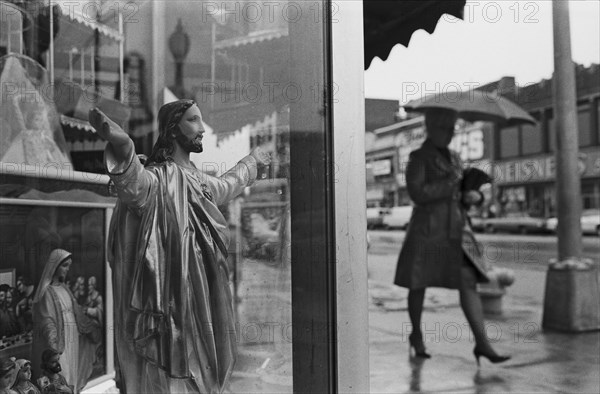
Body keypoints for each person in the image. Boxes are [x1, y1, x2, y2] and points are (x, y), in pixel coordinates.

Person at [88, 99, 270, 393]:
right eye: (194, 121)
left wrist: (251, 162)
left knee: (201, 367)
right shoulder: (159, 178)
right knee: (174, 373)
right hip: (172, 300)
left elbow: (226, 186)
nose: (202, 130)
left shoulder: (197, 180)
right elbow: (134, 187)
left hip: (203, 295)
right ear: (173, 129)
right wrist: (124, 147)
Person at [394, 108, 510, 365]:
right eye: (444, 128)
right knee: (418, 284)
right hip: (427, 232)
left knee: (468, 281)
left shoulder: (456, 158)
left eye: (452, 129)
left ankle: (483, 344)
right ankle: (417, 334)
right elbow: (417, 193)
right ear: (431, 128)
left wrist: (474, 196)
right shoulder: (418, 157)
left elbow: (465, 194)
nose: (449, 134)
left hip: (457, 231)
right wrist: (451, 186)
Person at [31, 249, 100, 393]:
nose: (67, 269)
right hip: (59, 339)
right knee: (62, 370)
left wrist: (90, 328)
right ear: (54, 266)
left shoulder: (64, 288)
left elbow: (77, 311)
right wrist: (53, 344)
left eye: (69, 265)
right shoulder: (47, 291)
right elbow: (46, 320)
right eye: (65, 265)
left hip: (72, 334)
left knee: (72, 369)